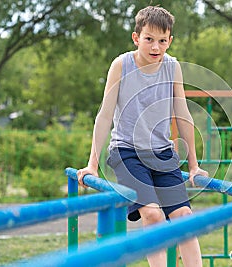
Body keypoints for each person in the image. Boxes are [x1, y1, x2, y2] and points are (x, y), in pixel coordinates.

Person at [77, 6, 208, 267]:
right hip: (127, 152)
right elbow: (104, 115)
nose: (155, 47)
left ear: (170, 41)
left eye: (162, 41)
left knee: (183, 215)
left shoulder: (172, 67)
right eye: (149, 39)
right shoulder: (122, 65)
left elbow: (182, 115)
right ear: (136, 38)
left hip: (162, 153)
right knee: (153, 214)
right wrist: (92, 163)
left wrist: (193, 165)